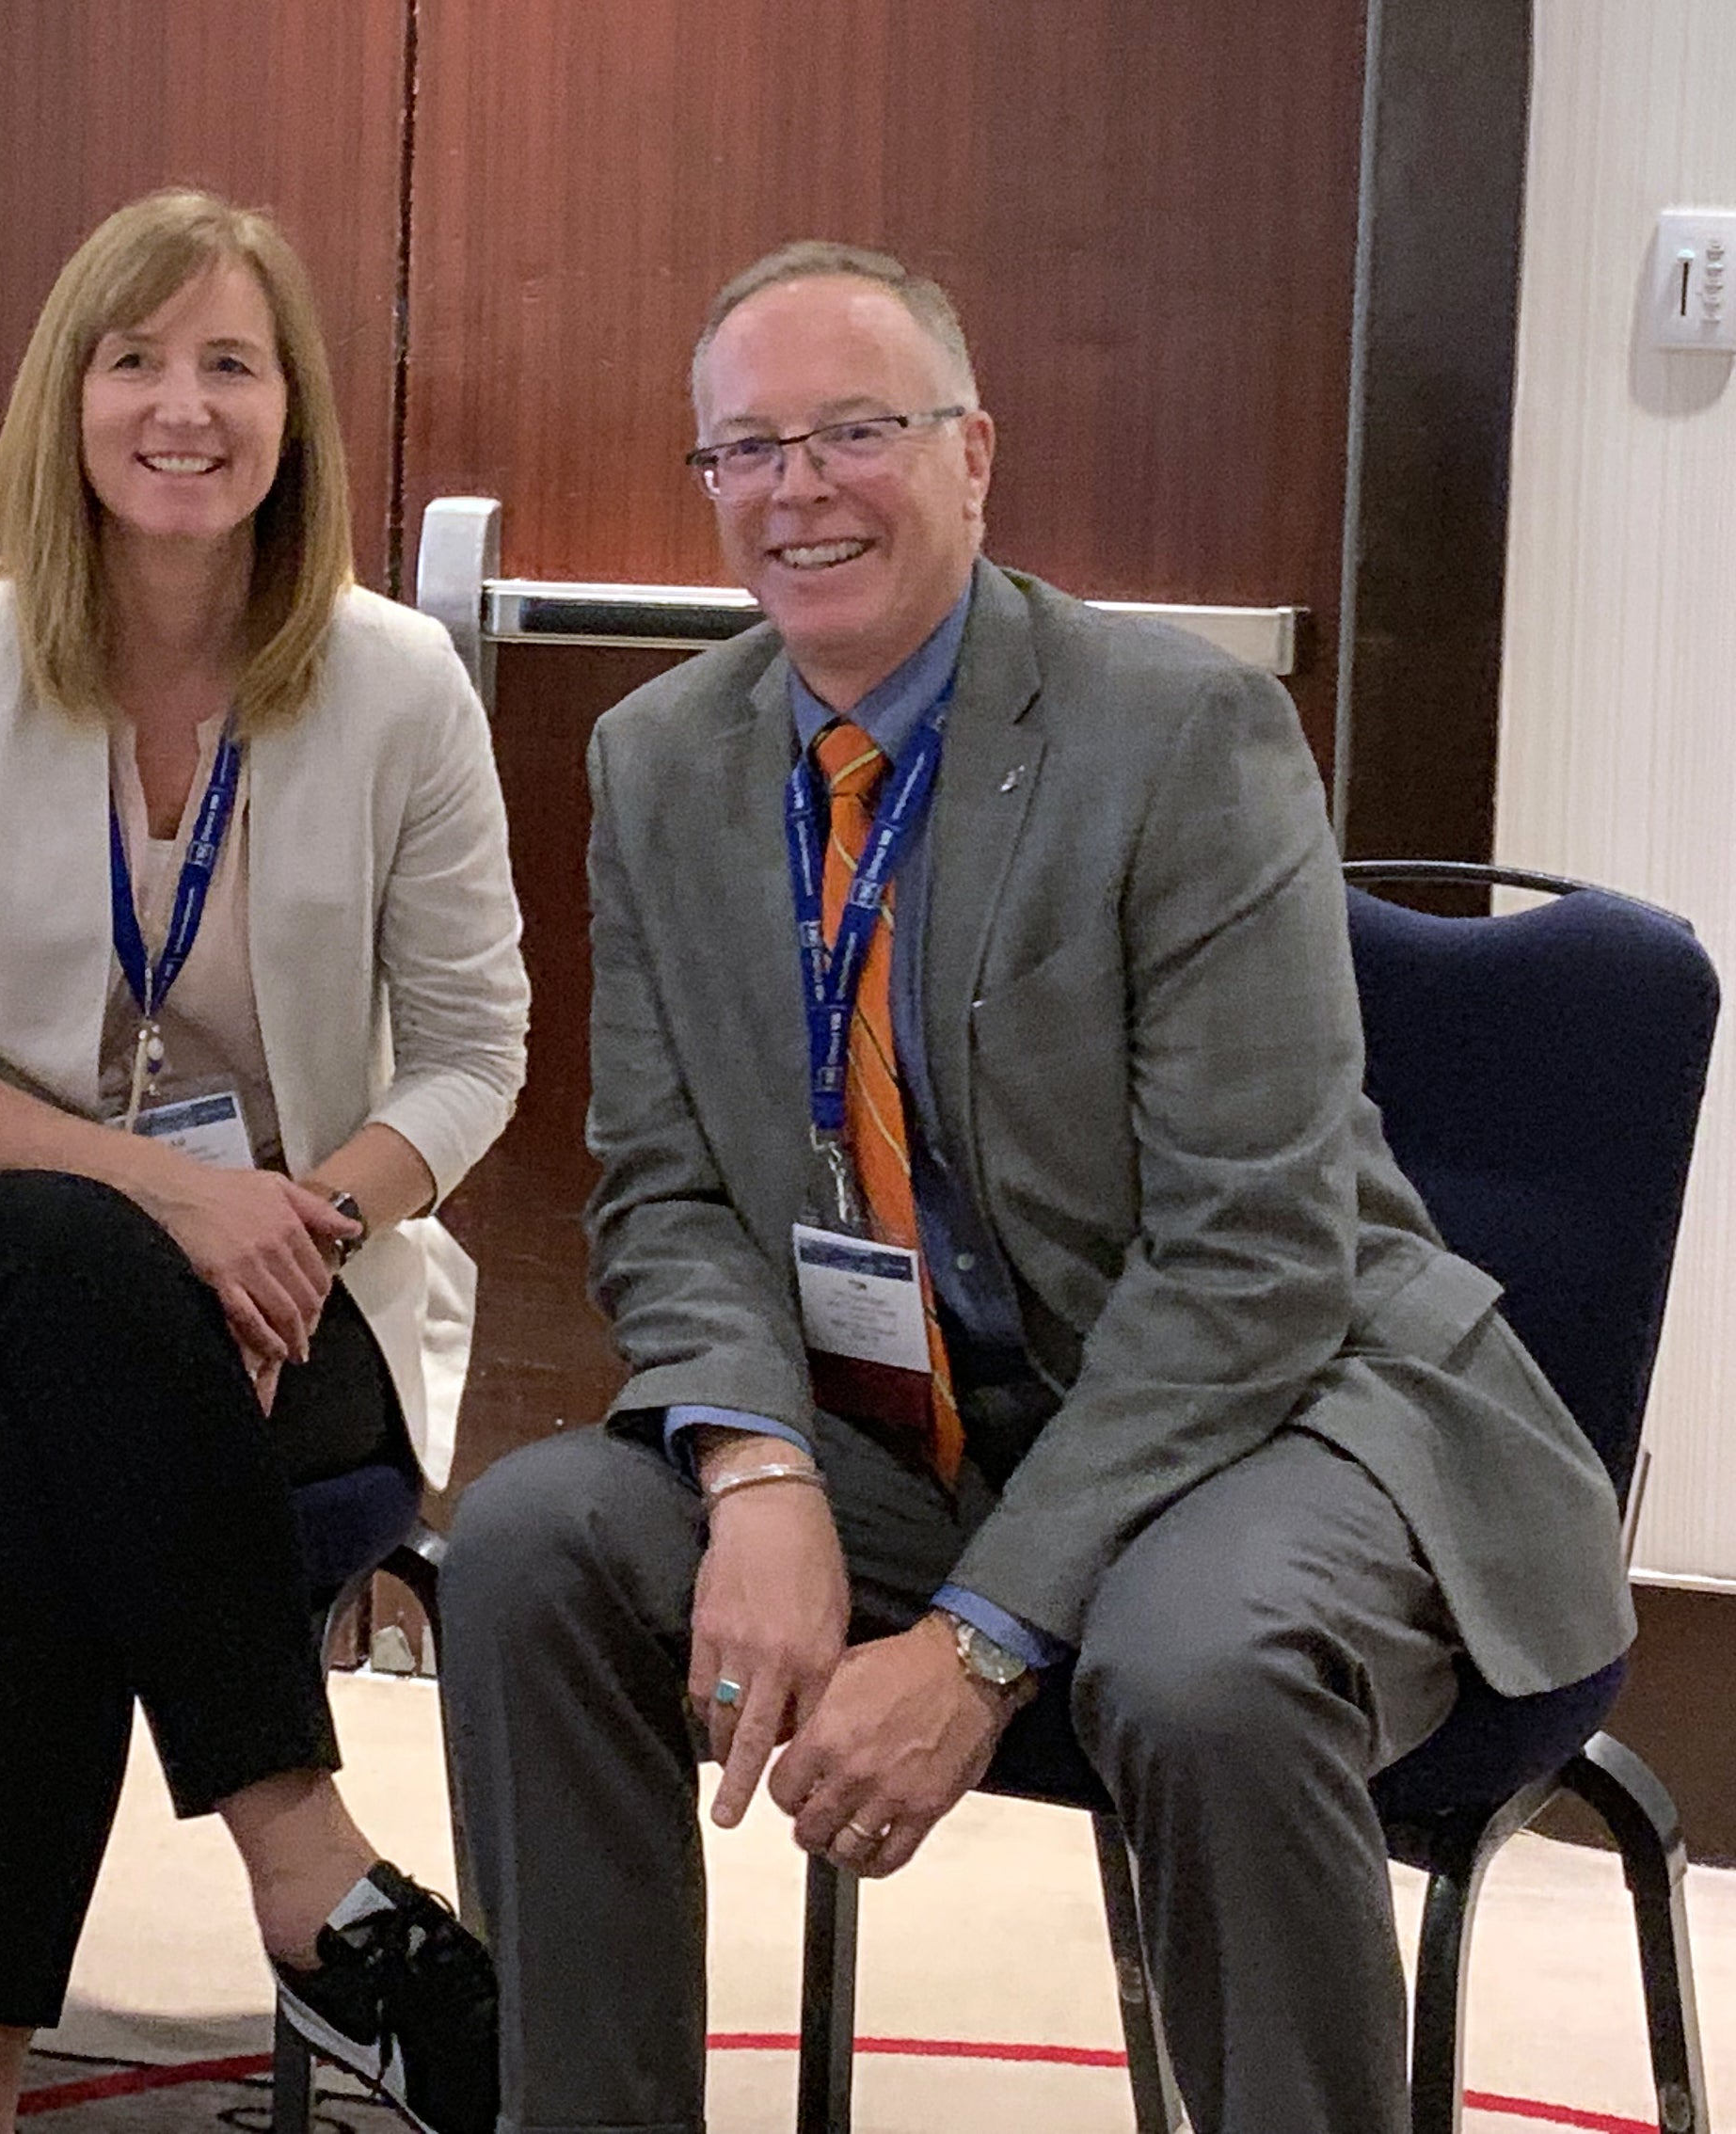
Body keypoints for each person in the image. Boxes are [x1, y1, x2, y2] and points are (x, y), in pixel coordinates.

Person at [439, 240, 1631, 2134]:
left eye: (855, 430)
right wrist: (749, 1466)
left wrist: (983, 1641)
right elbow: (664, 1190)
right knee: (532, 1544)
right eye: (745, 449)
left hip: (1289, 1410)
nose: (797, 488)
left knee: (1196, 1662)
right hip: (904, 1425)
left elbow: (1255, 1257)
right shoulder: (660, 759)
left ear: (974, 455)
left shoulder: (1179, 735)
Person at [0, 188, 527, 2134]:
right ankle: (309, 1866)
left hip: (304, 1283)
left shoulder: (396, 686)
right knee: (84, 1282)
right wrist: (185, 1201)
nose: (181, 406)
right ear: (69, 399)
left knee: (48, 1458)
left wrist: (311, 1213)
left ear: (293, 415)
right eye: (136, 360)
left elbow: (471, 1058)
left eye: (230, 363)